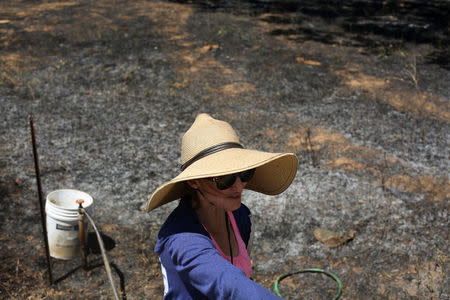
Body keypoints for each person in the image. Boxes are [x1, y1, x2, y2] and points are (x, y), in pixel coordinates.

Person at [146, 113, 298, 299]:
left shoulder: (241, 217)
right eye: (225, 178)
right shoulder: (182, 239)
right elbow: (228, 284)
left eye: (245, 173)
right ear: (194, 182)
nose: (239, 185)